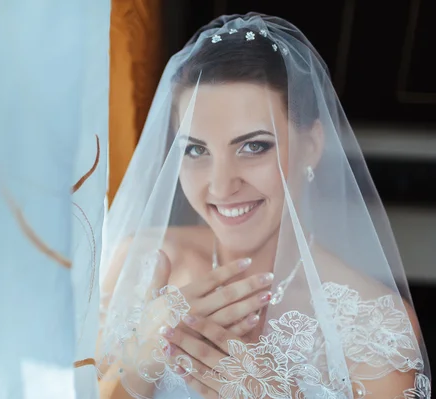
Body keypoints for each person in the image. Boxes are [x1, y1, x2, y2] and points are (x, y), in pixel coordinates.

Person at [95, 12, 431, 399]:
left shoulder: (376, 324)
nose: (221, 185)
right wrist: (139, 364)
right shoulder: (144, 262)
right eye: (195, 149)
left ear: (312, 145)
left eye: (253, 146)